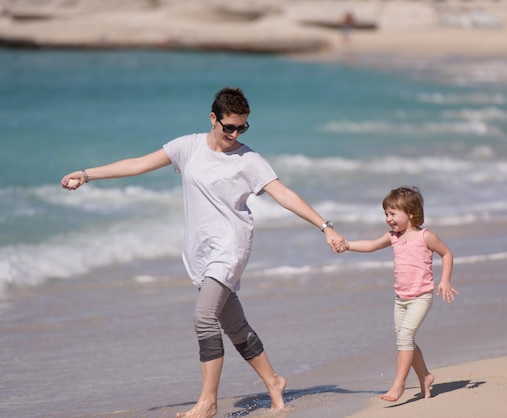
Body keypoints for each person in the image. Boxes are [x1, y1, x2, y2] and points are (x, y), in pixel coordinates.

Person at [61, 87, 346, 418]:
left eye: (242, 128)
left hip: (231, 247)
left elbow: (284, 195)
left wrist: (326, 226)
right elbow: (138, 164)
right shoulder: (188, 147)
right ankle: (274, 381)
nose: (235, 134)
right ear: (214, 119)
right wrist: (87, 174)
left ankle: (207, 402)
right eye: (229, 127)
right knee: (234, 325)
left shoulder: (249, 160)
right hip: (200, 252)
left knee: (203, 317)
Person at [336, 186, 457, 402]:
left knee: (405, 337)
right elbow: (372, 245)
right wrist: (347, 245)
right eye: (386, 214)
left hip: (421, 296)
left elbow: (446, 253)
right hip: (400, 299)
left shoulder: (425, 236)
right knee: (405, 340)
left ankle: (398, 384)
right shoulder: (393, 237)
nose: (388, 218)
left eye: (393, 213)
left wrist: (445, 280)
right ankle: (425, 376)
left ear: (410, 213)